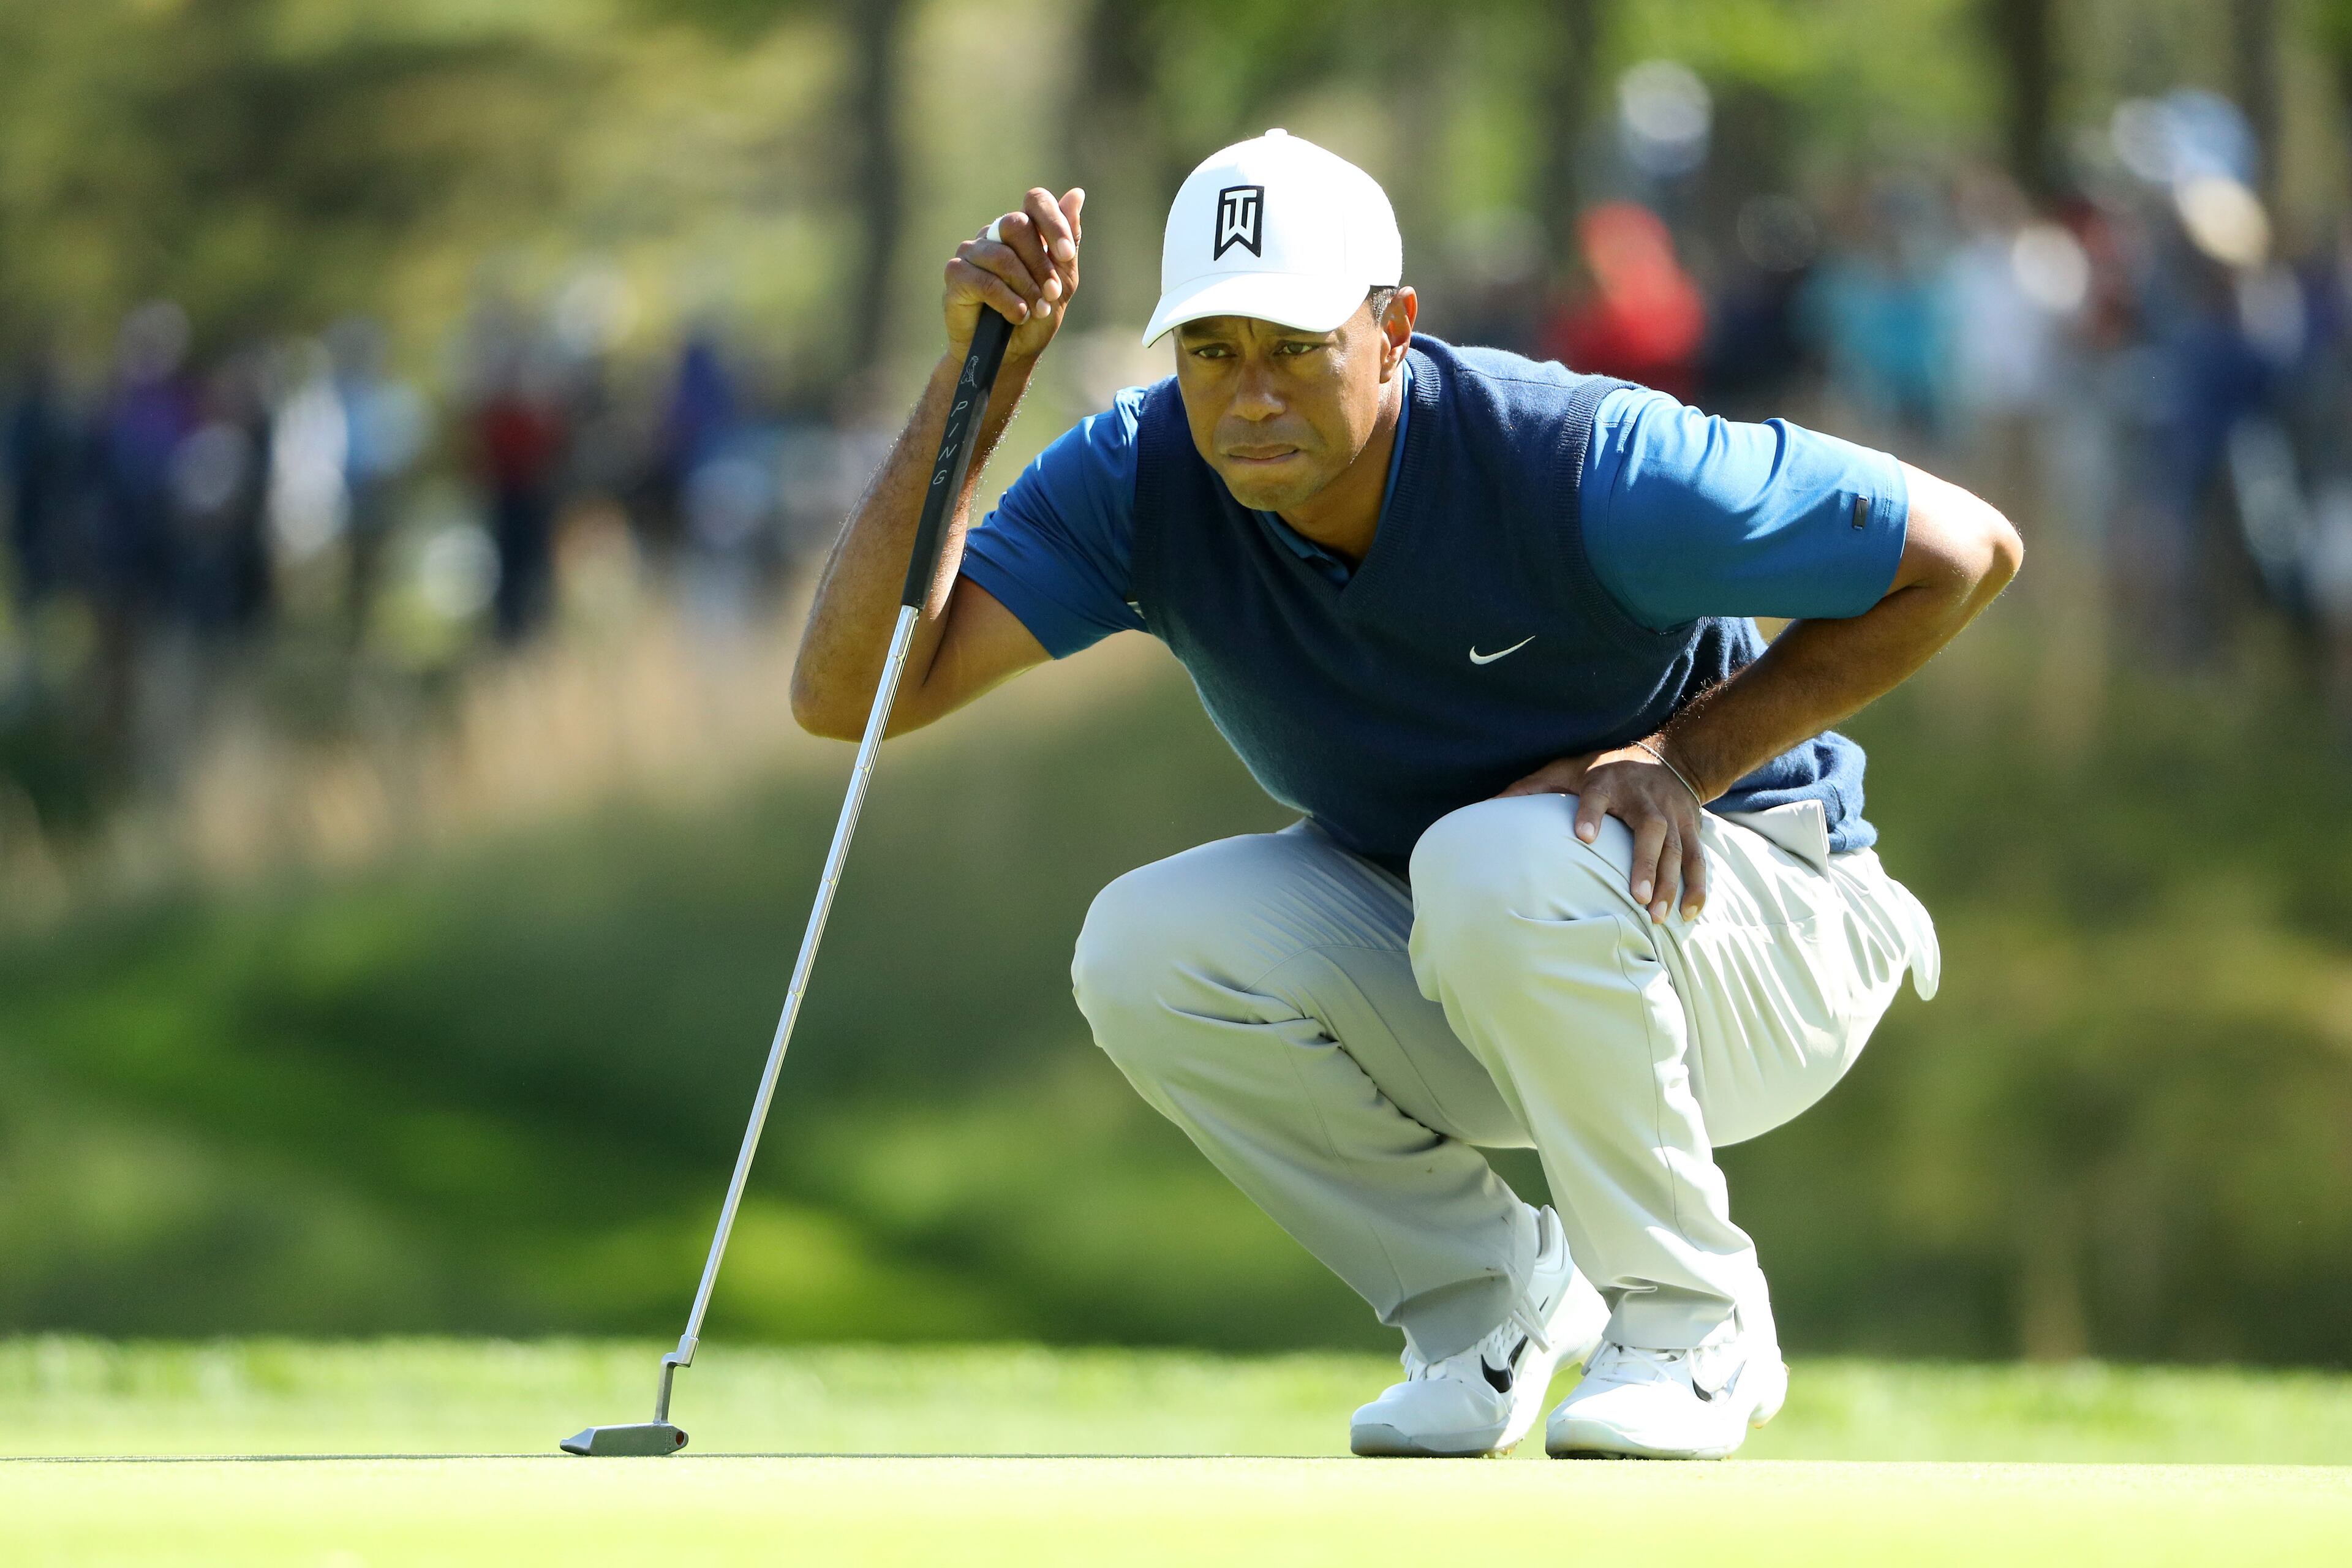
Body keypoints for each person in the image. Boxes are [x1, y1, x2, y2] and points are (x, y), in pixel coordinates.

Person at [793, 132, 2019, 1461]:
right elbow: (855, 691)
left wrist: (1684, 757)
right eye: (1210, 350)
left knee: (1495, 861)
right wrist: (985, 381)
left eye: (1294, 346)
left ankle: (1694, 1319)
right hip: (1483, 929)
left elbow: (1964, 551)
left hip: (1766, 917)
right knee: (1146, 947)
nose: (1249, 395)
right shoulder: (1145, 478)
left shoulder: (1582, 464)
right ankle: (1490, 1301)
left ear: (1394, 330)